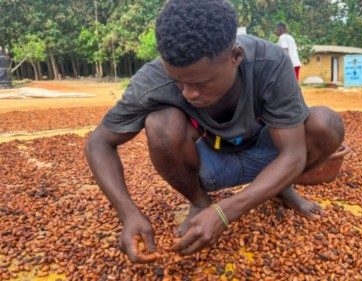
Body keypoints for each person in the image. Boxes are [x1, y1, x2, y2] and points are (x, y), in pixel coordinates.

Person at [85, 0, 344, 263]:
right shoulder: (152, 79)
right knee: (160, 123)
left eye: (202, 83)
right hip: (211, 161)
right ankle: (199, 201)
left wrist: (225, 213)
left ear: (236, 56)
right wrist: (128, 213)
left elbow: (293, 154)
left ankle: (280, 186)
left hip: (269, 152)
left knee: (327, 124)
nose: (189, 94)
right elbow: (99, 142)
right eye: (178, 82)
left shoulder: (270, 62)